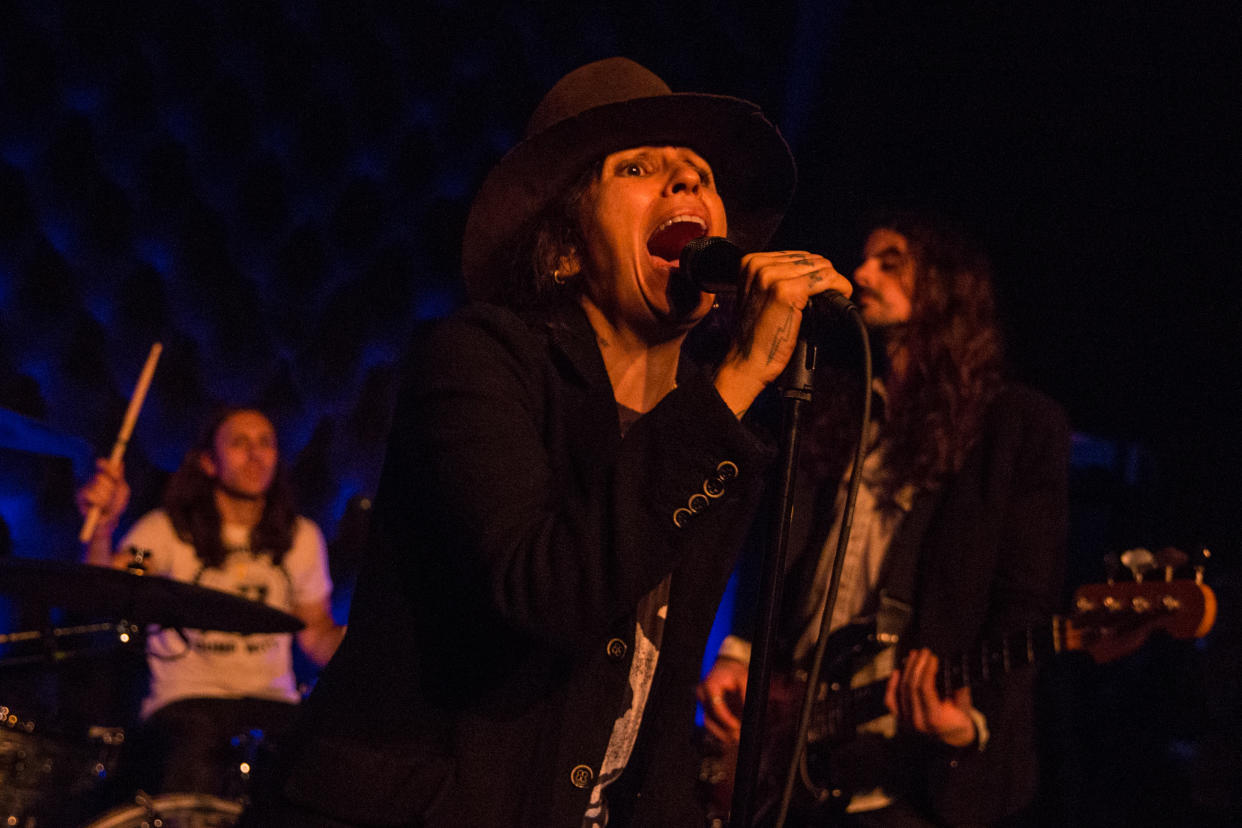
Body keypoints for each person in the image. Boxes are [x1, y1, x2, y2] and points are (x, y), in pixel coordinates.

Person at [241, 57, 853, 828]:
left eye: (700, 175)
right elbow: (546, 588)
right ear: (565, 244)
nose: (686, 185)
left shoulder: (716, 430)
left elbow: (659, 698)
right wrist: (733, 381)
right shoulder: (478, 358)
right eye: (639, 167)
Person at [698, 211, 1070, 825]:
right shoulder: (832, 401)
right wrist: (739, 653)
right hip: (789, 747)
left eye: (890, 261)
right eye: (864, 258)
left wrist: (967, 725)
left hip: (899, 778)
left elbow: (1023, 602)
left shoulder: (1016, 427)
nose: (863, 272)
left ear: (948, 287)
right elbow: (768, 543)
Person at [77, 406, 345, 797]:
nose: (256, 454)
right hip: (187, 701)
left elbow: (316, 632)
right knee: (194, 743)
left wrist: (373, 653)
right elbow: (105, 592)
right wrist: (102, 527)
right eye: (240, 443)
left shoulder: (302, 536)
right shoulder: (167, 529)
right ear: (207, 461)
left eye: (265, 443)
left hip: (272, 705)